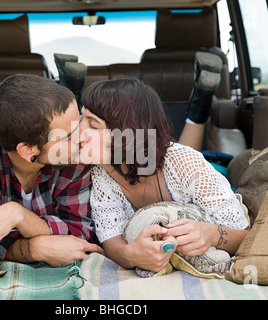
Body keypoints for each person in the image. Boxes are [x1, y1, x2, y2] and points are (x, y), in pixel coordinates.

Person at [78, 77, 250, 273]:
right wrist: (129, 255)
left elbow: (245, 235)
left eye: (93, 125)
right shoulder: (101, 174)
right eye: (80, 118)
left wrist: (211, 235)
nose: (78, 129)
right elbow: (111, 240)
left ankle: (199, 103)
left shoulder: (185, 164)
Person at [0, 74, 102, 267]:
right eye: (69, 136)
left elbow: (80, 234)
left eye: (78, 121)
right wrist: (36, 248)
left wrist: (16, 215)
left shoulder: (76, 154)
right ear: (28, 150)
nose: (84, 137)